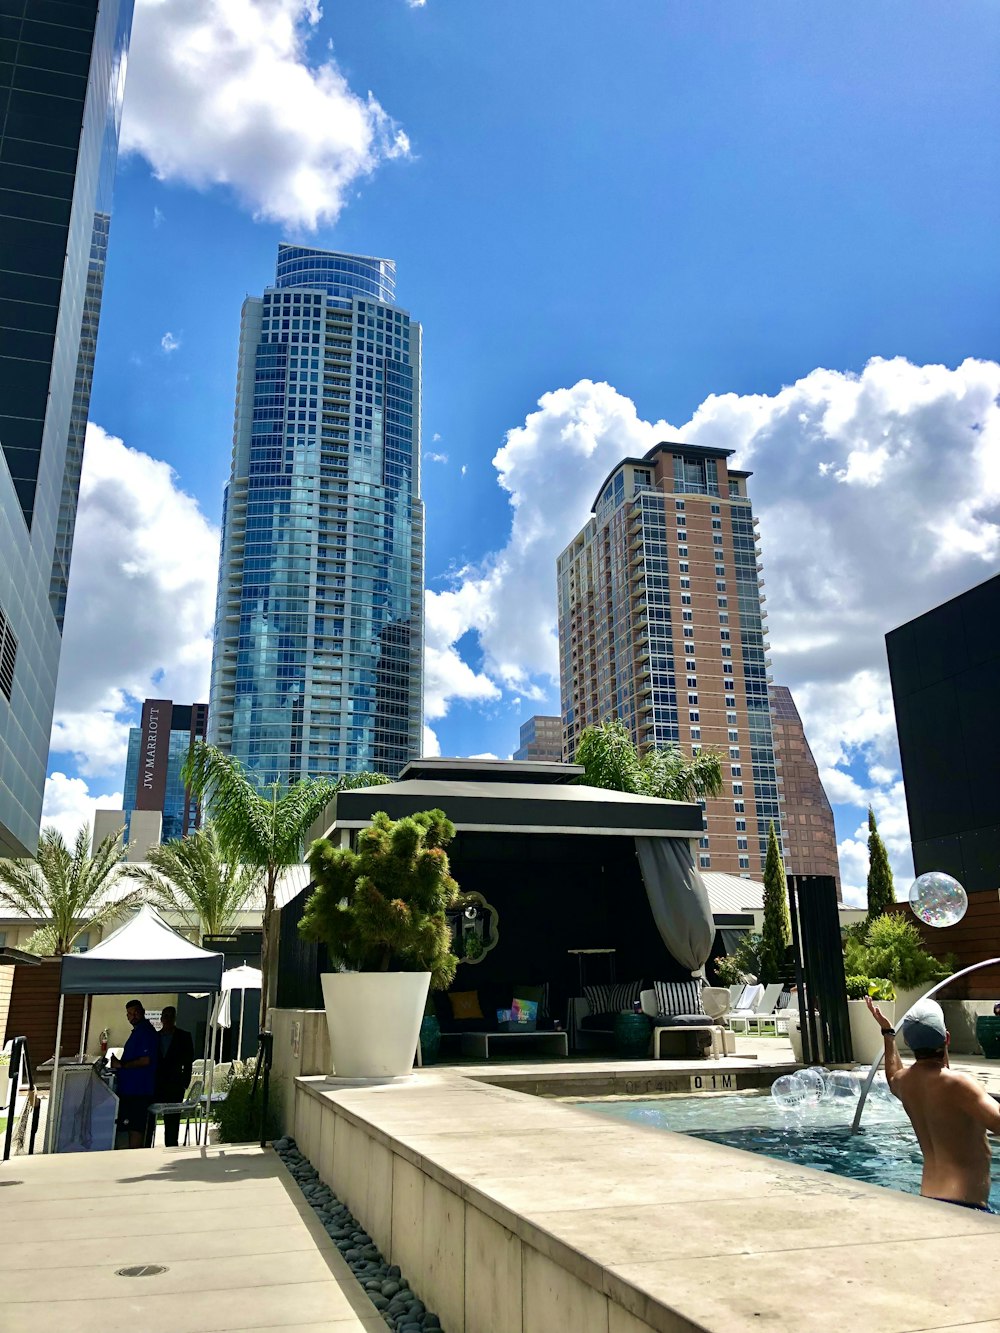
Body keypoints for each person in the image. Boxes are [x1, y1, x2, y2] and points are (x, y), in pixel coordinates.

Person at [866, 995, 1000, 1210]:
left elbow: (892, 1075)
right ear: (947, 1038)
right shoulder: (960, 1084)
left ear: (908, 1042)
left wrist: (888, 1035)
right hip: (965, 1206)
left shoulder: (904, 1082)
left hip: (928, 1199)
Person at [110, 1000, 159, 1148]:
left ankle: (133, 1156)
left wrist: (122, 1065)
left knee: (135, 1126)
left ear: (142, 1012)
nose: (132, 1016)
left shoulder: (145, 1032)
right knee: (129, 1125)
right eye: (129, 1014)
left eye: (135, 1012)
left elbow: (145, 1060)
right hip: (130, 1088)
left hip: (139, 1089)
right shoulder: (137, 1031)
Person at [155, 1006, 195, 1148]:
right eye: (165, 1016)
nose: (167, 1019)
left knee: (173, 1119)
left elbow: (188, 1061)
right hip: (158, 1083)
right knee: (152, 1115)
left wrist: (185, 1082)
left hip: (175, 1083)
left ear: (174, 1018)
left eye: (170, 1016)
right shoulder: (156, 1037)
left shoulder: (184, 1036)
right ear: (161, 1018)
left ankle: (171, 1146)